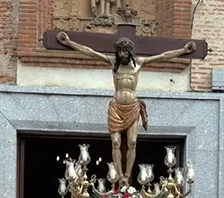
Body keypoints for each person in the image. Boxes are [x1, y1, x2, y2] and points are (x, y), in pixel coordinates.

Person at [55, 31, 195, 184]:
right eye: (119, 51)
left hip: (132, 107)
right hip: (116, 107)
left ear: (130, 52)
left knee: (132, 142)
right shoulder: (112, 63)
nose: (122, 54)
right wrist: (69, 42)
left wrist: (183, 50)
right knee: (115, 142)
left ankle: (127, 175)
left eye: (125, 51)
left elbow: (163, 56)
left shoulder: (138, 63)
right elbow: (91, 52)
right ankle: (120, 175)